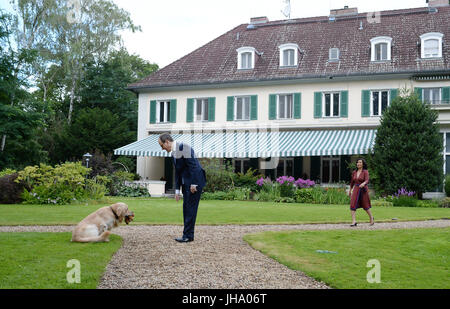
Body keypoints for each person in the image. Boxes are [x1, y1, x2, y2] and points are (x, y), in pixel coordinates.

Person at [158, 133, 206, 242]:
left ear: (167, 142)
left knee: (191, 209)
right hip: (187, 183)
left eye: (162, 145)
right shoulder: (174, 153)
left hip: (195, 182)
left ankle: (187, 236)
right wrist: (177, 190)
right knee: (186, 208)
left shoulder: (184, 147)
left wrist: (194, 184)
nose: (162, 148)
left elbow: (194, 166)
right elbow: (178, 172)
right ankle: (188, 235)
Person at [349, 158, 374, 227]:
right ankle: (354, 221)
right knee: (352, 204)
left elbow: (367, 180)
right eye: (357, 162)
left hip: (363, 190)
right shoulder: (354, 172)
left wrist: (364, 183)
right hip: (356, 189)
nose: (358, 163)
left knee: (365, 205)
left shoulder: (365, 172)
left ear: (363, 164)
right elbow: (352, 182)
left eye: (360, 162)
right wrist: (350, 190)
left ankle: (371, 218)